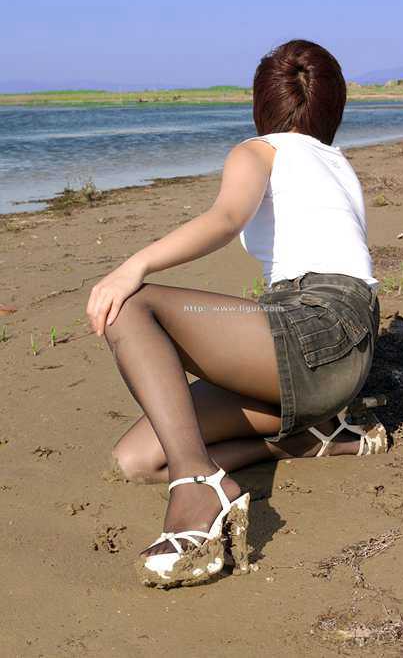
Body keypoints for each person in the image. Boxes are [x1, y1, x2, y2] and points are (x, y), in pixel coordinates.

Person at [86, 39, 387, 589]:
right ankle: (308, 439)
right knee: (138, 459)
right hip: (343, 349)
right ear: (333, 106)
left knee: (132, 306)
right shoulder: (338, 163)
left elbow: (226, 218)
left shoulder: (258, 150)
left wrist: (133, 265)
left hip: (316, 320)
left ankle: (195, 486)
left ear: (261, 103)